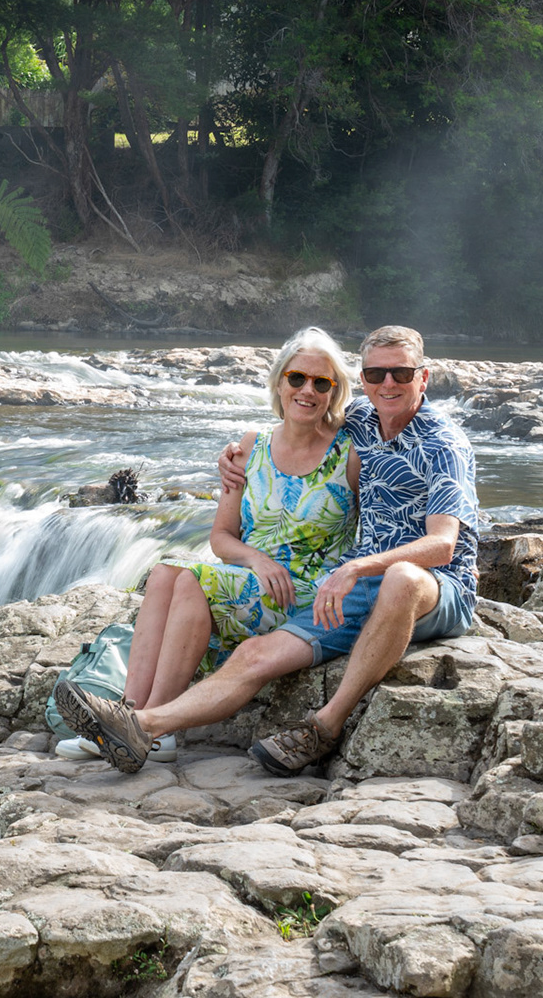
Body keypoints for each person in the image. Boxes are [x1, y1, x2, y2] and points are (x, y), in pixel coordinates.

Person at [56, 325, 479, 777]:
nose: (388, 384)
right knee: (251, 652)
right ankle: (136, 725)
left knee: (401, 577)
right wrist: (232, 457)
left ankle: (325, 725)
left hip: (432, 584)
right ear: (363, 379)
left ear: (423, 377)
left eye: (401, 374)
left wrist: (356, 566)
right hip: (358, 587)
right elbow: (304, 424)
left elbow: (443, 545)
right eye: (376, 374)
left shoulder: (442, 444)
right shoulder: (362, 419)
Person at [57, 327, 359, 763]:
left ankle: (151, 729)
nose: (307, 390)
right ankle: (126, 715)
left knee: (192, 581)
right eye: (297, 378)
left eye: (321, 382)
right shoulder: (251, 447)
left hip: (305, 594)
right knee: (165, 572)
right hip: (254, 576)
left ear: (334, 391)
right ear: (279, 383)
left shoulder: (349, 454)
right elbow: (221, 538)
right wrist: (256, 559)